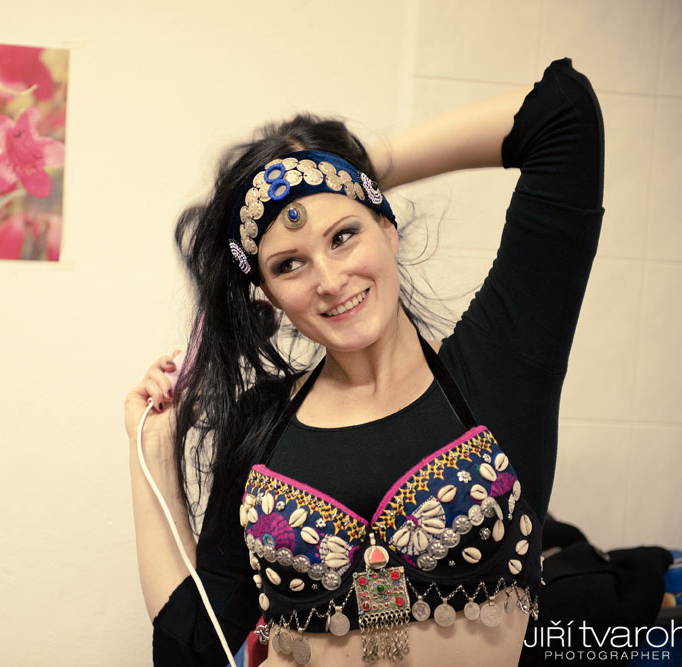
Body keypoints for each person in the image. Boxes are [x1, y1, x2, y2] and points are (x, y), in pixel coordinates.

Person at [125, 58, 603, 666]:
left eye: (343, 235)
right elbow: (192, 648)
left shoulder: (500, 368)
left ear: (387, 226)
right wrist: (151, 451)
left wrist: (344, 166)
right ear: (268, 293)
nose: (329, 280)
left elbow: (563, 120)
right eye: (289, 264)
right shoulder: (260, 425)